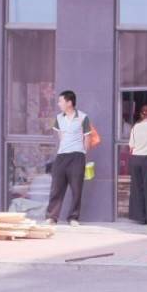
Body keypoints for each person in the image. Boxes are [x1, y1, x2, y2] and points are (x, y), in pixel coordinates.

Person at [47, 90, 92, 226]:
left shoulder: (83, 117)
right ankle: (52, 217)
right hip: (61, 156)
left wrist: (83, 154)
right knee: (56, 188)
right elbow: (60, 136)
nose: (58, 104)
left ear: (69, 103)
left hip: (77, 156)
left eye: (61, 101)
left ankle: (73, 218)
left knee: (76, 189)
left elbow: (87, 138)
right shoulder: (58, 118)